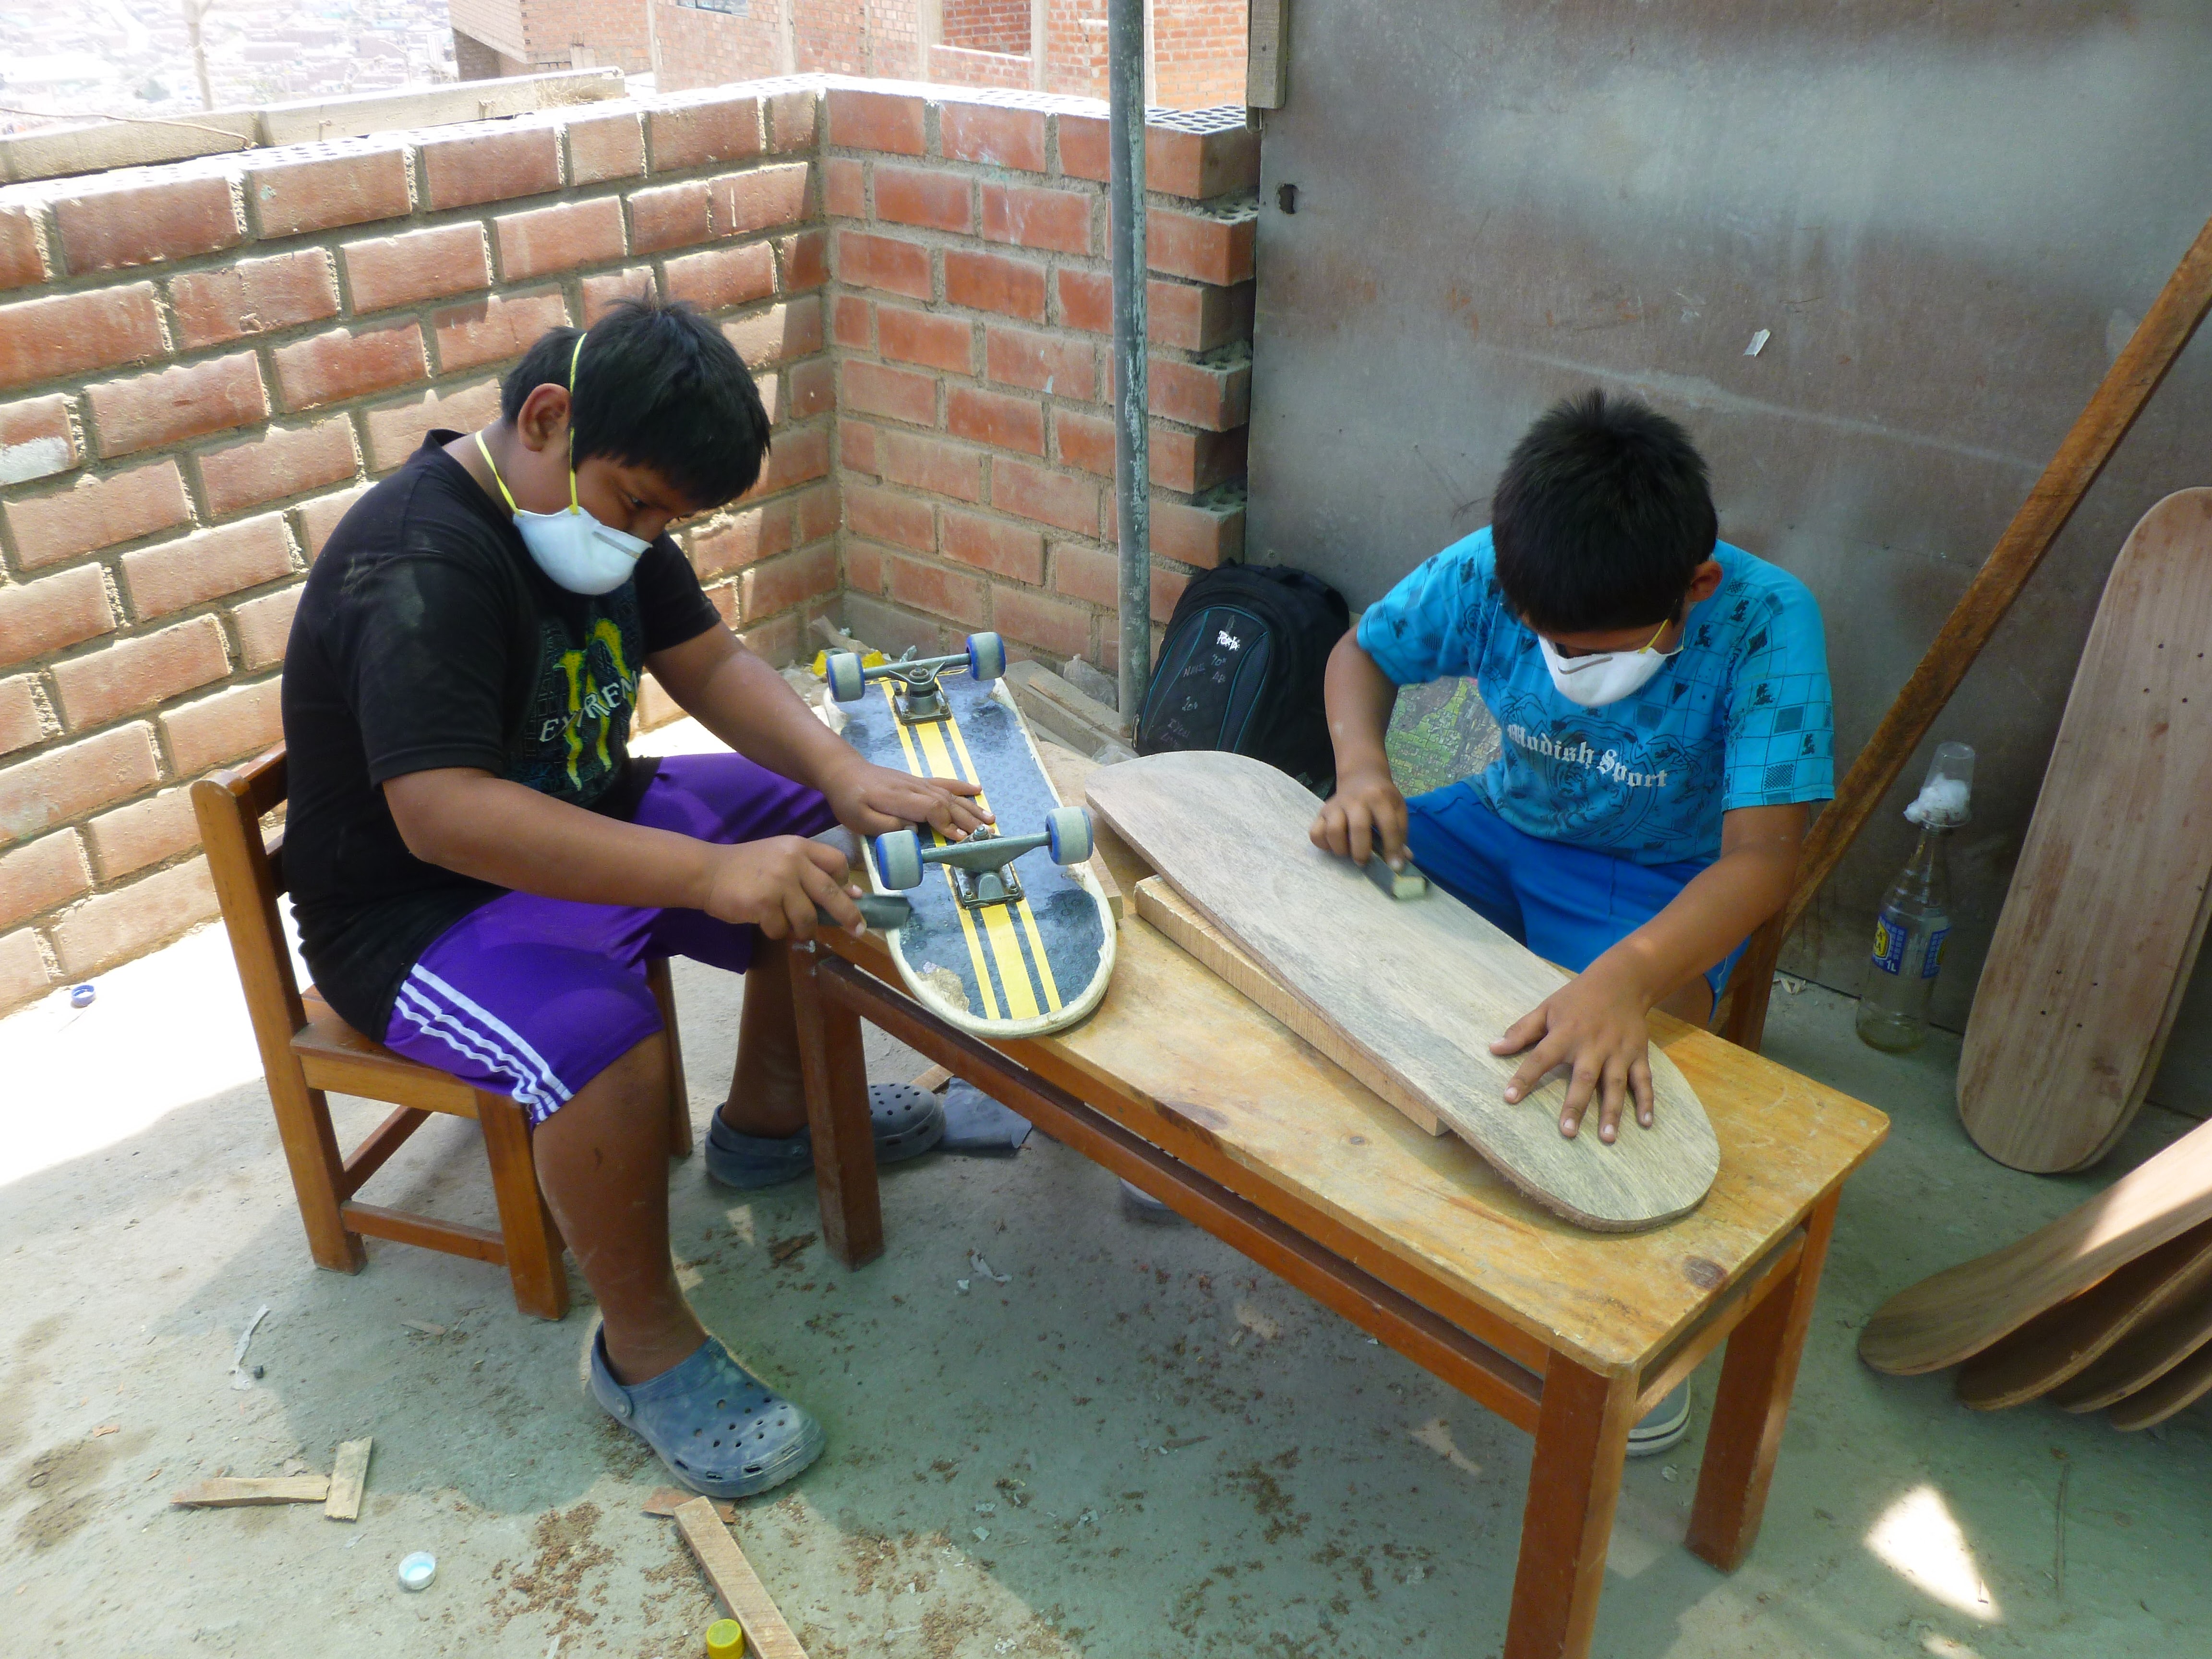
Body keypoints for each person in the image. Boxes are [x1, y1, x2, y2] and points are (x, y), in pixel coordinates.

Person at [281, 297, 985, 1498]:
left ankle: (770, 1129)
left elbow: (706, 659)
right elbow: (441, 811)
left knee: (823, 840)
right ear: (548, 420)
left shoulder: (593, 511)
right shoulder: (420, 558)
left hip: (580, 814)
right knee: (604, 1044)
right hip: (414, 910)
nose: (653, 535)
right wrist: (712, 871)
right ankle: (643, 1351)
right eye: (642, 506)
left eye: (674, 518)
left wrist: (847, 774)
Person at [1310, 389, 1832, 1454]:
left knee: (1615, 1073)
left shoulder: (1769, 625)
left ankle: (1631, 1324)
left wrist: (1632, 977)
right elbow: (1361, 655)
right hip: (1490, 831)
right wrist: (1364, 772)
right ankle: (1280, 1154)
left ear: (1697, 587)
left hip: (1651, 886)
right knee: (1333, 899)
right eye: (1550, 644)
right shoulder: (1492, 569)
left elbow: (1764, 859)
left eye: (1599, 651)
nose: (1570, 668)